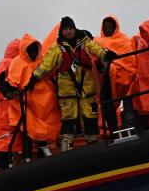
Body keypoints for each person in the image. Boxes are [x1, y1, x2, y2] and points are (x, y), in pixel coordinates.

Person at [32, 17, 116, 150]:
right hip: (67, 91)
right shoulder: (56, 47)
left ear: (74, 29)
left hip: (86, 88)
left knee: (90, 115)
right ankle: (67, 147)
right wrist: (34, 78)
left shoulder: (84, 41)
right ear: (61, 31)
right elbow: (45, 65)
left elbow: (97, 49)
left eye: (70, 28)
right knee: (68, 118)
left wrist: (106, 55)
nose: (68, 31)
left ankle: (93, 143)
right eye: (65, 29)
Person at [4, 33, 61, 158]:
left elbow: (50, 74)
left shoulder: (42, 60)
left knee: (49, 123)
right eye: (31, 50)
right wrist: (13, 92)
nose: (34, 53)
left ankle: (43, 148)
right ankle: (28, 156)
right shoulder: (16, 63)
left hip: (46, 101)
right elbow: (12, 83)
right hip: (28, 103)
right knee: (29, 128)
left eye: (36, 50)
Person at [0, 39, 24, 170]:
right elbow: (1, 81)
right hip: (5, 106)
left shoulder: (5, 62)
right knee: (7, 136)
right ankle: (4, 165)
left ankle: (4, 164)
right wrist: (10, 93)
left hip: (5, 106)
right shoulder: (8, 62)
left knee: (8, 137)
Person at [96, 15, 139, 135]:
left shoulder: (124, 40)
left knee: (127, 97)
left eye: (110, 28)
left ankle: (128, 122)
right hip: (107, 80)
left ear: (115, 28)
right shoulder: (97, 42)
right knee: (107, 103)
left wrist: (116, 68)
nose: (107, 30)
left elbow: (131, 63)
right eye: (105, 28)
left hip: (123, 78)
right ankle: (112, 129)